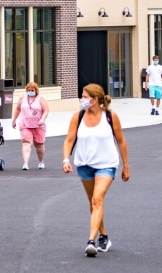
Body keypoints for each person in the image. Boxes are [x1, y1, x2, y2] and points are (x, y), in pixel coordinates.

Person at [63, 83, 130, 258]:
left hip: (106, 164)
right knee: (92, 201)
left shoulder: (110, 116)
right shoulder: (78, 117)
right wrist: (66, 159)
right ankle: (104, 236)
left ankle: (91, 241)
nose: (82, 99)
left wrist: (126, 167)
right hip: (84, 163)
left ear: (94, 99)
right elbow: (69, 140)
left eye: (85, 97)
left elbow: (121, 141)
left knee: (97, 199)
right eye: (82, 96)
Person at [11, 82, 49, 169]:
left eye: (32, 90)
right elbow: (17, 109)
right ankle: (25, 163)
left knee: (39, 144)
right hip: (25, 124)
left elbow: (46, 110)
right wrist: (14, 120)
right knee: (26, 143)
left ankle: (41, 161)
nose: (30, 91)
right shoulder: (23, 98)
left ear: (36, 90)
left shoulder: (40, 99)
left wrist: (42, 119)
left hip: (38, 125)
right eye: (29, 90)